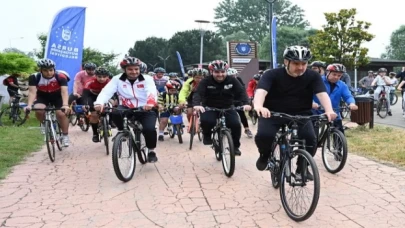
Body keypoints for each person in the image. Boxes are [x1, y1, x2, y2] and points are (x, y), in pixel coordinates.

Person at [253, 46, 336, 179]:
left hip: (300, 114)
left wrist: (329, 110)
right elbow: (261, 91)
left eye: (304, 63)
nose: (301, 67)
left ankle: (301, 167)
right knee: (264, 135)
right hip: (273, 113)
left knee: (310, 139)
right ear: (286, 62)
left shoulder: (313, 76)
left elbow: (322, 94)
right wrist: (259, 106)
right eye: (296, 63)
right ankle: (265, 155)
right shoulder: (272, 74)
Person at [94, 56, 159, 163]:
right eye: (130, 69)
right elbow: (106, 92)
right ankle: (123, 131)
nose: (134, 72)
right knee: (114, 112)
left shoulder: (147, 78)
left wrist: (150, 103)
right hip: (126, 107)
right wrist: (99, 103)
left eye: (136, 69)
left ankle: (151, 151)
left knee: (149, 130)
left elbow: (151, 91)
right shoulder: (117, 79)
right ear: (124, 70)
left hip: (145, 108)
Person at [193, 60, 251, 156]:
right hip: (210, 107)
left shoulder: (232, 80)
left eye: (222, 72)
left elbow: (242, 92)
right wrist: (197, 104)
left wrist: (246, 103)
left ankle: (235, 146)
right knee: (207, 121)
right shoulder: (205, 81)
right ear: (211, 72)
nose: (220, 74)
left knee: (235, 124)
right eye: (217, 72)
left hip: (227, 107)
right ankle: (207, 136)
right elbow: (198, 93)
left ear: (226, 71)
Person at [24, 59, 71, 147]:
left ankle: (65, 136)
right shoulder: (34, 77)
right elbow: (32, 92)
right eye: (45, 70)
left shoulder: (61, 76)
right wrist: (29, 105)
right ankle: (43, 124)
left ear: (54, 69)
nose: (48, 73)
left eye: (51, 70)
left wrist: (65, 105)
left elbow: (64, 92)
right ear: (40, 70)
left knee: (61, 114)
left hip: (58, 96)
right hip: (43, 96)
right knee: (39, 110)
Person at [312, 64, 358, 134]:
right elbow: (307, 94)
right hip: (316, 112)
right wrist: (312, 103)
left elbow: (348, 96)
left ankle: (340, 144)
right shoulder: (318, 81)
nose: (336, 77)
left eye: (339, 76)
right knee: (312, 135)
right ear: (328, 72)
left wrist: (351, 103)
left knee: (340, 133)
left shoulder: (342, 85)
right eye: (334, 74)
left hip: (334, 112)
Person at [81, 67, 111, 142]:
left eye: (104, 77)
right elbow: (85, 95)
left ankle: (110, 122)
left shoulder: (111, 82)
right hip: (93, 97)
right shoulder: (90, 82)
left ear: (108, 76)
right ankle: (95, 134)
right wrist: (85, 104)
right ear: (95, 76)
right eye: (99, 76)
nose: (102, 79)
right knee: (94, 115)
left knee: (112, 107)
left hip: (105, 96)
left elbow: (116, 93)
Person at [227, 68, 253, 138]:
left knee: (241, 113)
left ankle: (247, 129)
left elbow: (243, 91)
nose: (233, 77)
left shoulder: (238, 80)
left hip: (238, 100)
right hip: (228, 100)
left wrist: (246, 103)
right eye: (231, 76)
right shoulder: (224, 81)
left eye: (234, 75)